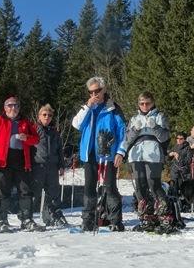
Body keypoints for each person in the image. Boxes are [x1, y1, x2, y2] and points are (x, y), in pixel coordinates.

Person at [72, 77, 126, 232]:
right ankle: (88, 221)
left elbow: (123, 131)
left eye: (97, 90)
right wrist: (88, 106)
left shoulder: (113, 108)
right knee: (89, 187)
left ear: (104, 90)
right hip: (89, 153)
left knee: (110, 187)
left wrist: (121, 152)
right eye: (91, 92)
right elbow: (77, 124)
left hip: (108, 153)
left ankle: (115, 221)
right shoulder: (87, 108)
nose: (94, 94)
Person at [0, 96, 42, 233]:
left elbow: (36, 139)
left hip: (21, 159)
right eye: (10, 105)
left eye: (16, 106)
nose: (13, 108)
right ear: (5, 108)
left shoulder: (25, 122)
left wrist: (27, 138)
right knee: (3, 191)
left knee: (25, 190)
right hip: (3, 159)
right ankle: (1, 221)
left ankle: (26, 219)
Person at [118, 91, 173, 232]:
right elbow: (127, 138)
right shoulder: (134, 118)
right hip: (137, 154)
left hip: (153, 153)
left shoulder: (160, 116)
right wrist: (134, 129)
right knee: (140, 185)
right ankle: (146, 217)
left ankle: (165, 216)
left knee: (153, 184)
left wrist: (155, 126)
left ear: (152, 103)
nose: (144, 106)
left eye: (147, 103)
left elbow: (165, 137)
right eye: (142, 103)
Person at [32, 104, 68, 227]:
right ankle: (27, 217)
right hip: (37, 165)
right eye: (44, 114)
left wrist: (61, 165)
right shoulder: (34, 129)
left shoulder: (55, 132)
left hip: (52, 166)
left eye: (50, 115)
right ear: (39, 116)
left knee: (53, 194)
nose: (47, 117)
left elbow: (60, 150)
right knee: (34, 193)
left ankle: (51, 216)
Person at [167, 131, 193, 212]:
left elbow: (188, 161)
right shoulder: (174, 147)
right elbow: (167, 159)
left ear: (185, 140)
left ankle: (185, 206)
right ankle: (174, 206)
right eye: (177, 138)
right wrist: (170, 155)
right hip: (174, 172)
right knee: (173, 189)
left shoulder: (188, 148)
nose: (178, 140)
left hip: (184, 173)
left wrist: (179, 157)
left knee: (183, 190)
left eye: (181, 139)